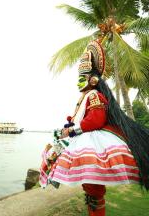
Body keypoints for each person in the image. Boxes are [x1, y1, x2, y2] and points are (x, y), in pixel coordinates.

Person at [39, 40, 149, 216]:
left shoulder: (95, 95)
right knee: (90, 186)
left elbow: (96, 120)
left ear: (93, 79)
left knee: (93, 186)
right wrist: (68, 127)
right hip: (85, 139)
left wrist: (72, 130)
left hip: (93, 141)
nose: (78, 82)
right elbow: (78, 118)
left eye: (82, 78)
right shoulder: (86, 96)